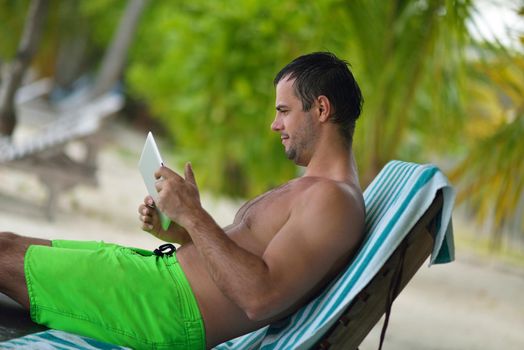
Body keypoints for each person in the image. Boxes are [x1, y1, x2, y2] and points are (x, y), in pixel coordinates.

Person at [0, 52, 365, 349]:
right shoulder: (316, 191)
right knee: (7, 245)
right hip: (155, 286)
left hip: (162, 309)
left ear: (320, 109)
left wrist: (193, 214)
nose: (274, 125)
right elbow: (240, 267)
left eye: (283, 111)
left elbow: (260, 297)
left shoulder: (332, 200)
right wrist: (180, 229)